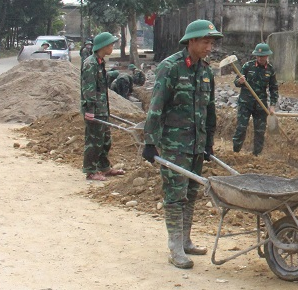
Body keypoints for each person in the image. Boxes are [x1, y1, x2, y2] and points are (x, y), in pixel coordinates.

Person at [142, 19, 223, 269]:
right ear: (192, 41)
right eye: (206, 42)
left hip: (197, 145)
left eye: (212, 42)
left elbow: (209, 109)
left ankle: (186, 240)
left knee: (191, 193)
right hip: (175, 145)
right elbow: (157, 105)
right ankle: (175, 247)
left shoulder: (206, 71)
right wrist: (150, 141)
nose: (210, 47)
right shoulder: (171, 68)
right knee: (175, 196)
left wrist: (208, 142)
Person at [80, 32, 125, 181]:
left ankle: (104, 167)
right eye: (111, 44)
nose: (113, 47)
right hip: (94, 110)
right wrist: (90, 110)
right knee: (94, 141)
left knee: (105, 140)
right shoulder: (90, 64)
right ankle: (91, 170)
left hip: (102, 108)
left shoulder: (100, 62)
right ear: (103, 46)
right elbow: (89, 89)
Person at [232, 43, 278, 156]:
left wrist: (272, 106)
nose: (260, 58)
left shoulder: (270, 70)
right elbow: (236, 82)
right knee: (241, 128)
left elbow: (274, 89)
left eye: (262, 56)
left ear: (267, 56)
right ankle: (235, 152)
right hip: (245, 103)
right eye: (258, 56)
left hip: (260, 104)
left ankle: (256, 155)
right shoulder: (248, 66)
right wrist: (240, 81)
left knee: (260, 131)